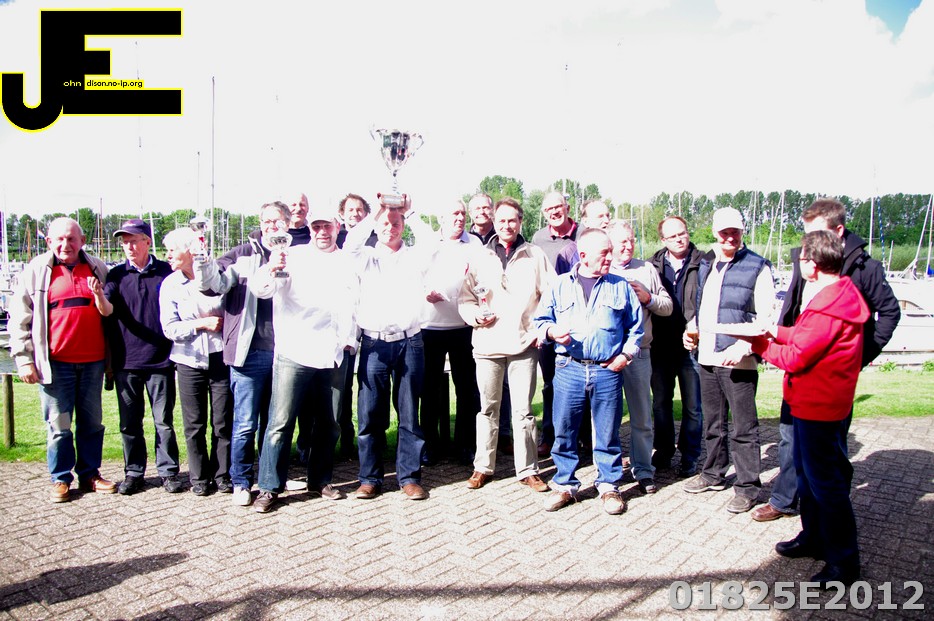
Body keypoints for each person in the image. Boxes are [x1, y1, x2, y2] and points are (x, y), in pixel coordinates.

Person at [751, 198, 900, 523]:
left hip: (824, 388)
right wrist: (778, 331)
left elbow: (887, 313)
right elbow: (802, 322)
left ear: (837, 232)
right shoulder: (830, 285)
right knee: (795, 448)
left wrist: (857, 356)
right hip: (805, 384)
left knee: (826, 470)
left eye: (813, 237)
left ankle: (837, 544)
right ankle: (801, 519)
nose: (805, 246)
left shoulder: (852, 279)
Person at [745, 230, 867, 587]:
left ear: (812, 264)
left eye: (801, 259)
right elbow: (805, 335)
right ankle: (813, 536)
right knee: (807, 477)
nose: (799, 265)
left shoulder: (831, 303)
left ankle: (844, 562)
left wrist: (758, 344)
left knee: (826, 485)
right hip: (814, 403)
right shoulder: (836, 294)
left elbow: (797, 357)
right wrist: (775, 331)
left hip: (820, 406)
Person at [249, 206, 358, 513]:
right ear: (309, 229)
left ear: (337, 227)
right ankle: (269, 487)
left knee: (329, 423)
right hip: (295, 351)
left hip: (333, 353)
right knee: (280, 423)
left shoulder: (347, 260)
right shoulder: (291, 256)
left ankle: (320, 480)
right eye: (317, 226)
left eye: (327, 226)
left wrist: (349, 339)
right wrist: (271, 267)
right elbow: (262, 290)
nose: (322, 231)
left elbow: (353, 300)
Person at [196, 201, 303, 506]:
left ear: (287, 223)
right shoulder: (242, 254)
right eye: (266, 221)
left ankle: (272, 477)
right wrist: (202, 261)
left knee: (277, 422)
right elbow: (213, 284)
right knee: (245, 423)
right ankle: (241, 481)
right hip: (250, 351)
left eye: (277, 221)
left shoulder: (297, 255)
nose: (272, 226)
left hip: (286, 351)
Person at [534, 229, 643, 514]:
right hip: (568, 368)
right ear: (583, 255)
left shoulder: (620, 286)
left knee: (607, 433)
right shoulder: (559, 285)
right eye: (604, 253)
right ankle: (565, 485)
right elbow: (540, 321)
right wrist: (551, 331)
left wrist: (625, 356)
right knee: (564, 431)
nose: (610, 257)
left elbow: (636, 329)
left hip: (607, 370)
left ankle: (609, 486)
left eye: (610, 252)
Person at [8, 217, 116, 503]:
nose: (65, 244)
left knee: (92, 423)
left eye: (71, 239)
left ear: (82, 241)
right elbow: (19, 318)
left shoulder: (98, 268)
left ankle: (90, 474)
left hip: (93, 362)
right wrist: (24, 359)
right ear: (49, 241)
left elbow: (110, 311)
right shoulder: (36, 271)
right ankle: (60, 478)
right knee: (59, 426)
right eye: (59, 239)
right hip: (56, 364)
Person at [682, 207, 774, 514]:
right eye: (724, 232)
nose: (730, 237)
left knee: (744, 428)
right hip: (707, 355)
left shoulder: (757, 266)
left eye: (735, 231)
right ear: (714, 232)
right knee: (713, 423)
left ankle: (747, 487)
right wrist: (691, 330)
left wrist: (745, 345)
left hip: (738, 360)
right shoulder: (706, 263)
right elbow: (702, 308)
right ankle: (713, 474)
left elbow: (766, 318)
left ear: (742, 231)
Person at [460, 197, 554, 493]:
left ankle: (528, 470)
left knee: (523, 411)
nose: (506, 225)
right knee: (487, 409)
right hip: (487, 345)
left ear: (520, 222)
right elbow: (466, 298)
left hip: (523, 345)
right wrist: (475, 315)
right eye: (501, 220)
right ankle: (482, 467)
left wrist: (540, 328)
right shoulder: (480, 256)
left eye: (512, 220)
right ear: (494, 222)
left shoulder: (535, 255)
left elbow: (550, 296)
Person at [342, 196, 432, 500]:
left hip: (410, 342)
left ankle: (409, 477)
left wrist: (411, 211)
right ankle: (369, 478)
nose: (390, 228)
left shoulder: (415, 256)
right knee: (369, 413)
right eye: (384, 223)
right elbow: (349, 244)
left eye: (395, 223)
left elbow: (432, 242)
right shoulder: (365, 256)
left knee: (409, 413)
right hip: (374, 344)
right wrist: (376, 213)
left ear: (403, 226)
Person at [105, 218, 182, 495]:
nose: (129, 246)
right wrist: (98, 295)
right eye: (124, 242)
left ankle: (168, 472)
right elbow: (105, 310)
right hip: (126, 362)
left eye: (133, 241)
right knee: (129, 423)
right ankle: (134, 472)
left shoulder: (166, 272)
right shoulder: (116, 276)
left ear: (147, 242)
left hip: (161, 361)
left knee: (163, 421)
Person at [159, 227, 232, 497]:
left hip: (220, 357)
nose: (168, 255)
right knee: (194, 423)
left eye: (172, 250)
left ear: (190, 251)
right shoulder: (170, 285)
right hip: (188, 360)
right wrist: (201, 324)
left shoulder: (217, 276)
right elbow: (169, 328)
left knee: (222, 421)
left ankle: (222, 474)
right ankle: (199, 477)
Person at [607, 220, 672, 494]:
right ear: (609, 243)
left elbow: (667, 307)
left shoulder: (646, 269)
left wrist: (648, 298)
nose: (629, 246)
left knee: (642, 417)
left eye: (632, 240)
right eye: (622, 241)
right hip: (607, 357)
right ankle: (608, 472)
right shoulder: (601, 269)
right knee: (606, 419)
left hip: (639, 354)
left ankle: (643, 469)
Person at [420, 200, 482, 466]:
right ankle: (429, 445)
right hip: (430, 327)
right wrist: (426, 293)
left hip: (464, 328)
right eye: (454, 213)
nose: (459, 218)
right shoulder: (427, 244)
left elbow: (481, 279)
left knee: (467, 390)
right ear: (441, 218)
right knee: (429, 391)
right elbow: (414, 276)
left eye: (462, 213)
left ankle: (465, 445)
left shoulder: (475, 244)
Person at [648, 216, 704, 477]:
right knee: (661, 403)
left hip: (692, 345)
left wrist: (698, 327)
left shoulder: (704, 263)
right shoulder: (652, 266)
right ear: (663, 240)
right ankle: (663, 451)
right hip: (660, 345)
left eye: (682, 233)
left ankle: (690, 456)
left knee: (693, 405)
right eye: (672, 236)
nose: (679, 239)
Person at [531, 191, 580, 457]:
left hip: (579, 321)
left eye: (558, 207)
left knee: (584, 380)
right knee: (550, 383)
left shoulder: (583, 233)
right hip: (550, 322)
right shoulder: (538, 239)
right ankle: (549, 436)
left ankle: (582, 438)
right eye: (548, 209)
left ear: (567, 207)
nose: (554, 212)